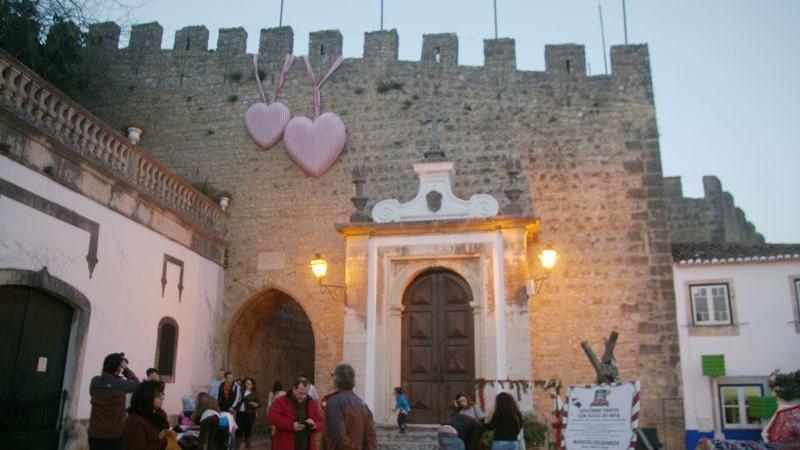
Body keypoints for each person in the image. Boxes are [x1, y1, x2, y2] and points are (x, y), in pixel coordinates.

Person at [88, 352, 140, 450]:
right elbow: (137, 384)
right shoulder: (120, 385)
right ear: (117, 369)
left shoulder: (95, 382)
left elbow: (106, 380)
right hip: (114, 436)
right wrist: (125, 368)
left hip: (95, 434)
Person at [322, 364, 377, 450]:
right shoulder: (363, 404)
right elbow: (371, 438)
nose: (331, 380)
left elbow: (339, 436)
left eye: (332, 376)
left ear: (336, 380)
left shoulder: (334, 401)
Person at [268, 377, 323, 450]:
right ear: (294, 388)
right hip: (286, 446)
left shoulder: (311, 402)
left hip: (307, 446)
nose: (303, 396)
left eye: (305, 394)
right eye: (300, 393)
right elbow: (273, 417)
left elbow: (320, 421)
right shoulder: (281, 401)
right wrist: (291, 425)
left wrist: (314, 425)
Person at [123, 380, 175, 450]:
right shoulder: (135, 420)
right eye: (159, 395)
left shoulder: (158, 415)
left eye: (163, 394)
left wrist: (166, 434)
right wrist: (165, 443)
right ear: (147, 397)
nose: (163, 398)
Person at [236, 377, 260, 448]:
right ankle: (238, 446)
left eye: (249, 384)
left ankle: (248, 445)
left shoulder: (254, 393)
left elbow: (260, 403)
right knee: (239, 429)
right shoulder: (241, 391)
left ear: (252, 385)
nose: (248, 385)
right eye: (246, 383)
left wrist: (256, 404)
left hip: (249, 414)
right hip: (240, 413)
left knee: (248, 429)